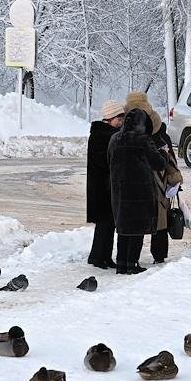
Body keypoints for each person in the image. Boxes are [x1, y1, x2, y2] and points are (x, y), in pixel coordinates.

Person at [125, 91, 183, 264]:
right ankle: (159, 255)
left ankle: (131, 258)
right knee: (160, 219)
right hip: (159, 178)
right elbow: (169, 156)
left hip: (136, 179)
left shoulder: (127, 122)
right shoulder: (157, 123)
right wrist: (174, 178)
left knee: (137, 220)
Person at [108, 107, 166, 275]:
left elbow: (109, 161)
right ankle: (131, 264)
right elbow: (159, 164)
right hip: (140, 193)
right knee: (137, 230)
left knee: (124, 228)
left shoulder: (114, 139)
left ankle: (121, 264)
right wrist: (164, 154)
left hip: (119, 191)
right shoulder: (143, 140)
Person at [87, 100, 125, 268]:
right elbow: (103, 161)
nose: (121, 121)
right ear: (109, 118)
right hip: (103, 186)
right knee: (105, 223)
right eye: (118, 118)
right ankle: (97, 257)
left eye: (122, 117)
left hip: (107, 185)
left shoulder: (110, 133)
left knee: (109, 224)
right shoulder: (101, 135)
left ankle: (105, 256)